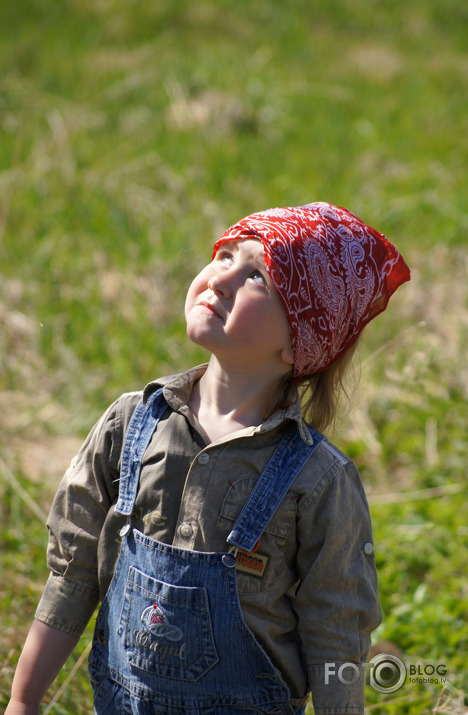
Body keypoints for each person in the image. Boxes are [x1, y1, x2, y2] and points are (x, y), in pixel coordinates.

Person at [6, 202, 410, 715]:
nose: (222, 278)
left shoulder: (317, 480)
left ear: (299, 342)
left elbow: (336, 634)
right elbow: (74, 568)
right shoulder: (131, 425)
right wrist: (22, 700)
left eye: (257, 276)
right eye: (225, 254)